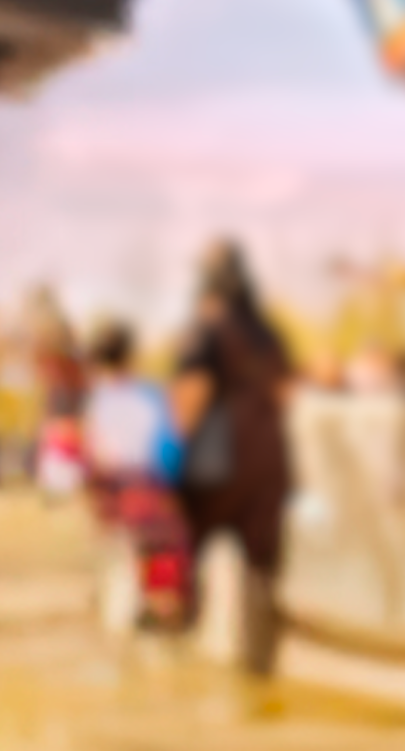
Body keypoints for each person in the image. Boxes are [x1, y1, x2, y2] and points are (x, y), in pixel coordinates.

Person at [171, 240, 297, 678]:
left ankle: (184, 646)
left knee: (187, 548)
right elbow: (287, 395)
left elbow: (192, 395)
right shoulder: (269, 334)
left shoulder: (206, 332)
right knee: (261, 567)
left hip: (214, 464)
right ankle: (260, 663)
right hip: (269, 465)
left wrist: (171, 450)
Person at [80, 319, 189, 635]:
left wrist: (95, 496)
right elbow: (170, 446)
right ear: (131, 356)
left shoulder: (96, 400)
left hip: (112, 490)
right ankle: (163, 615)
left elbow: (92, 453)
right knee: (161, 559)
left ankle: (129, 619)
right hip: (149, 488)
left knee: (121, 564)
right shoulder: (152, 395)